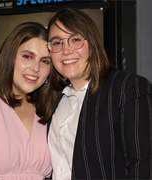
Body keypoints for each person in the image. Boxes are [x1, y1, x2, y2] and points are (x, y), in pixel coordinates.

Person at [46, 8, 152, 179]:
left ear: (93, 43)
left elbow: (143, 165)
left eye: (75, 39)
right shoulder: (53, 99)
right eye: (57, 43)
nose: (66, 50)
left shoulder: (127, 88)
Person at [0, 22, 53, 179]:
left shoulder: (48, 110)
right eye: (27, 57)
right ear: (10, 56)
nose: (35, 68)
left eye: (45, 61)